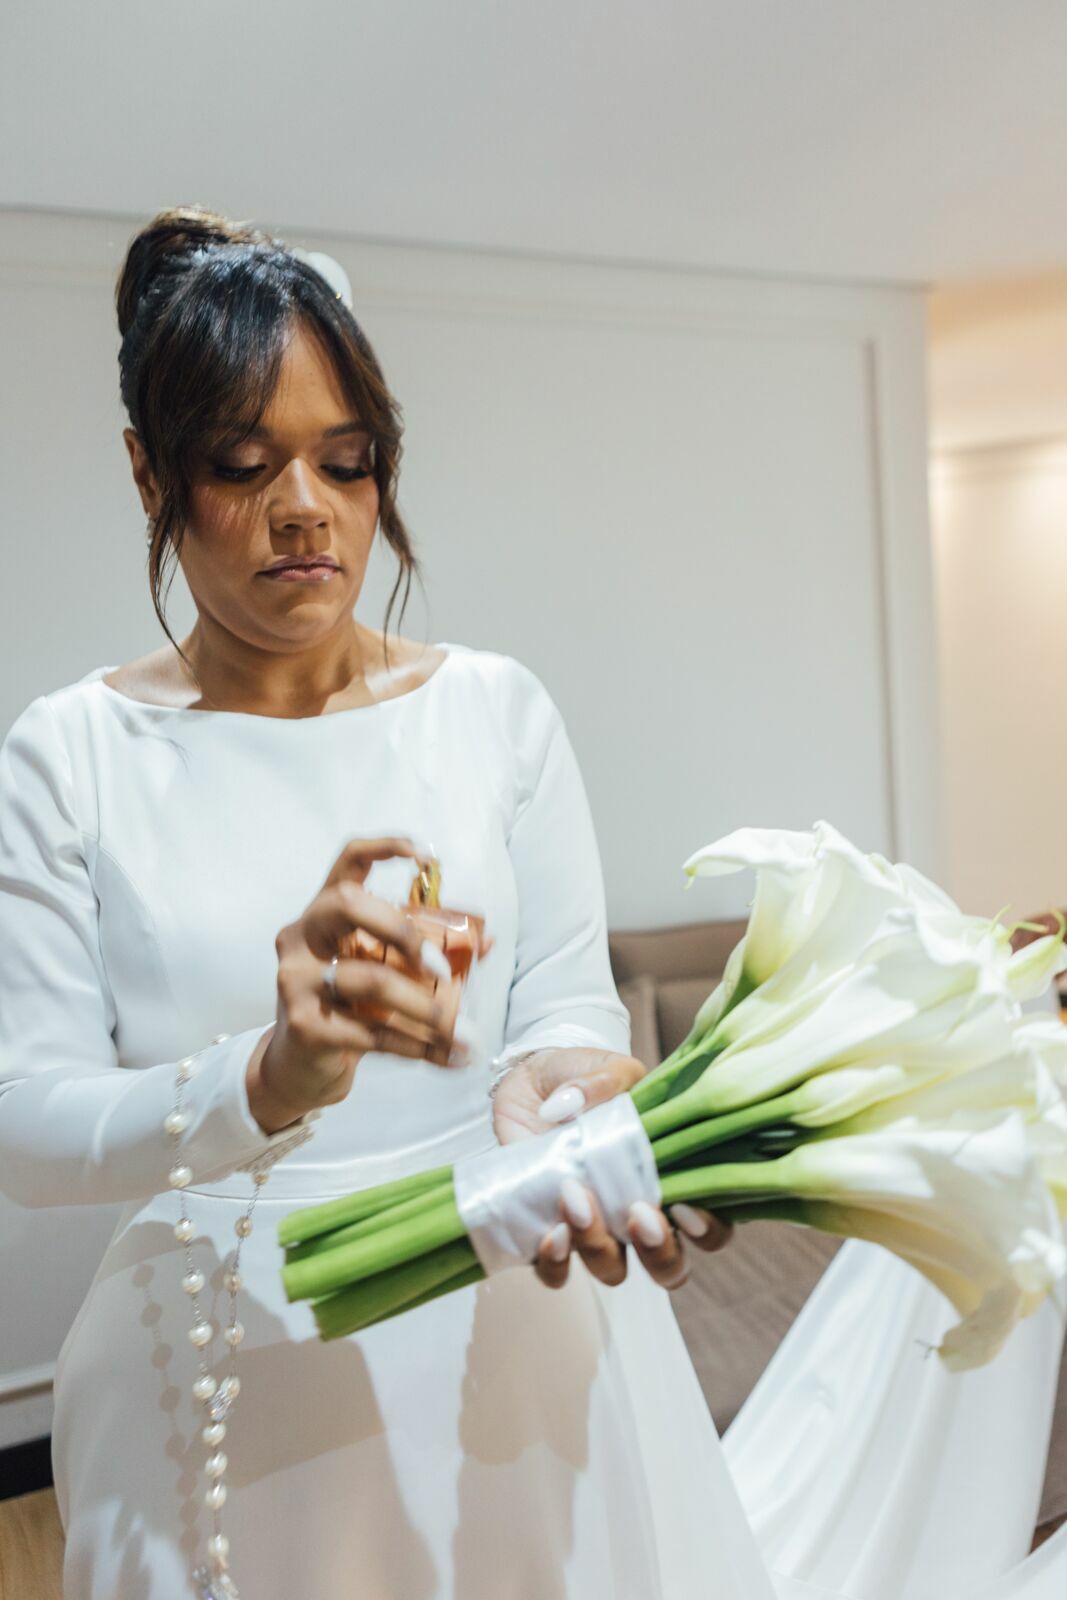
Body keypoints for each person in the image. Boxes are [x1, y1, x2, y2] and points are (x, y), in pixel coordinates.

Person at [0, 206, 743, 1600]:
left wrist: (571, 1090)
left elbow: (566, 1006)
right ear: (148, 471)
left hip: (512, 1335)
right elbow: (26, 1129)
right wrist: (266, 1078)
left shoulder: (497, 712)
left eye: (347, 463)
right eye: (242, 465)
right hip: (224, 1372)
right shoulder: (70, 753)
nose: (307, 507)